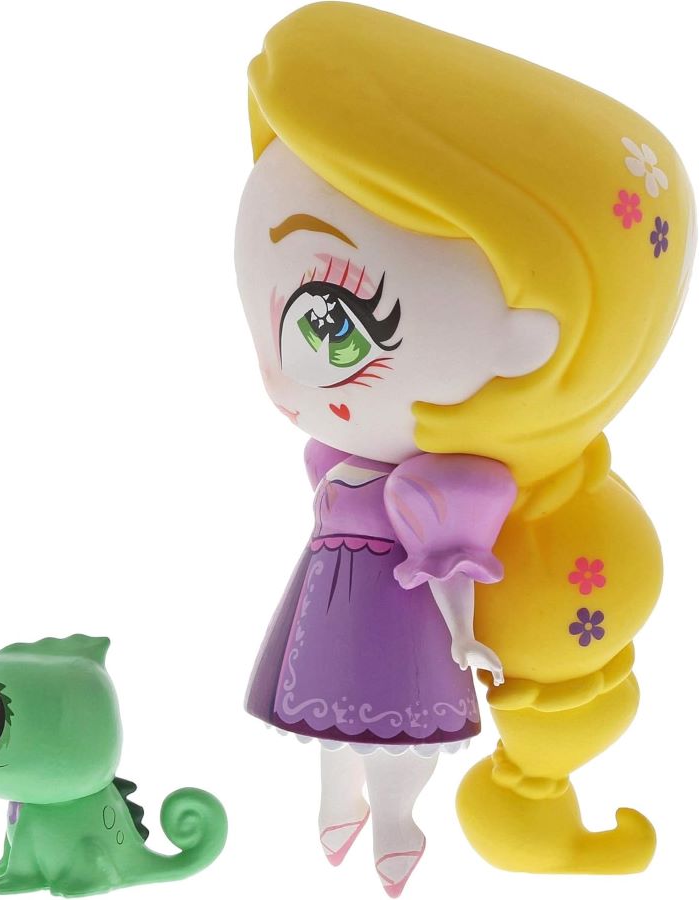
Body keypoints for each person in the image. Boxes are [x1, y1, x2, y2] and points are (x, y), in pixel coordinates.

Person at [234, 1, 694, 891]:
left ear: (532, 345)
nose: (282, 380)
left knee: (396, 728)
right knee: (327, 720)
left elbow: (449, 564)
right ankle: (340, 801)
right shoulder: (345, 457)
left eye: (335, 325)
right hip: (335, 600)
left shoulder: (455, 495)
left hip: (404, 616)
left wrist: (461, 636)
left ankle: (393, 818)